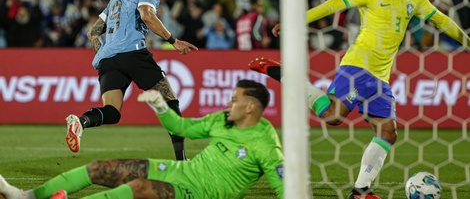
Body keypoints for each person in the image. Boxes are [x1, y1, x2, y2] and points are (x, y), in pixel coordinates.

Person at [249, 0, 470, 199]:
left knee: (388, 132)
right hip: (358, 65)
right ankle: (284, 73)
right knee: (333, 117)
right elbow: (331, 5)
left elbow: (442, 21)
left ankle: (361, 191)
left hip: (381, 76)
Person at [0, 79, 284, 199]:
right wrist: (161, 107)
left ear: (250, 107)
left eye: (234, 100)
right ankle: (25, 196)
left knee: (139, 187)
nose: (228, 102)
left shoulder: (265, 143)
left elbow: (287, 190)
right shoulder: (222, 119)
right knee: (100, 167)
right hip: (183, 172)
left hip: (202, 194)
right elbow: (183, 128)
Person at [65, 0, 198, 161]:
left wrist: (104, 55)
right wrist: (174, 41)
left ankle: (81, 121)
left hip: (107, 59)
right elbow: (147, 15)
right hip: (133, 52)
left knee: (112, 112)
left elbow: (94, 32)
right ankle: (181, 159)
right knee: (170, 101)